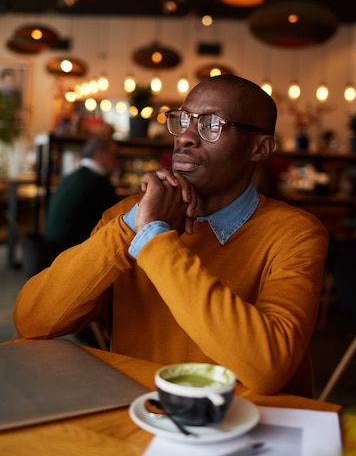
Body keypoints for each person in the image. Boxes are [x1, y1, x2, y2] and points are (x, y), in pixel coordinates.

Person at [14, 75, 328, 397]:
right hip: (139, 417)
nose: (186, 137)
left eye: (211, 124)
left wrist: (153, 239)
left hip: (244, 430)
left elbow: (267, 367)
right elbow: (32, 320)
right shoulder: (126, 219)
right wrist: (134, 225)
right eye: (182, 120)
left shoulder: (295, 234)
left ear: (259, 148)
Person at [43, 136, 120, 249]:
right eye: (115, 155)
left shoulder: (70, 177)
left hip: (49, 249)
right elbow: (115, 224)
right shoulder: (99, 183)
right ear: (100, 154)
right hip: (68, 253)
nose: (118, 162)